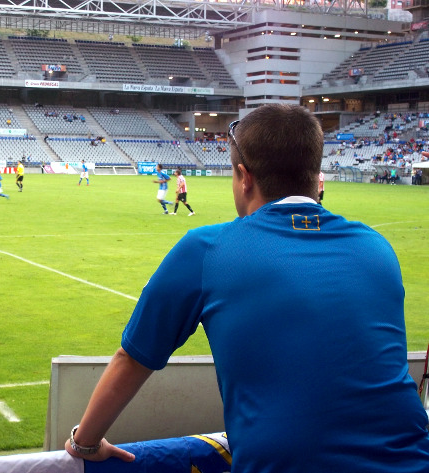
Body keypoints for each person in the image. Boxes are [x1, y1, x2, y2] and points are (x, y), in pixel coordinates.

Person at [64, 104, 429, 473]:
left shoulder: (207, 250)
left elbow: (133, 358)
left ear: (244, 177)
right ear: (316, 176)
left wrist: (86, 442)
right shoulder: (377, 247)